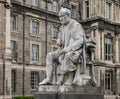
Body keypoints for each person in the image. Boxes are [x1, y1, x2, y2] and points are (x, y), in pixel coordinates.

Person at [39, 7, 86, 85]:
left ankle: (70, 78)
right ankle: (48, 78)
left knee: (68, 55)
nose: (60, 19)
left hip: (75, 50)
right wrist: (59, 40)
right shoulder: (62, 26)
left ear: (68, 16)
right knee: (50, 55)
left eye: (62, 17)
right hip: (63, 50)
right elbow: (60, 36)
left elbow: (80, 41)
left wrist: (68, 49)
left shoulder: (76, 25)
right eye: (59, 17)